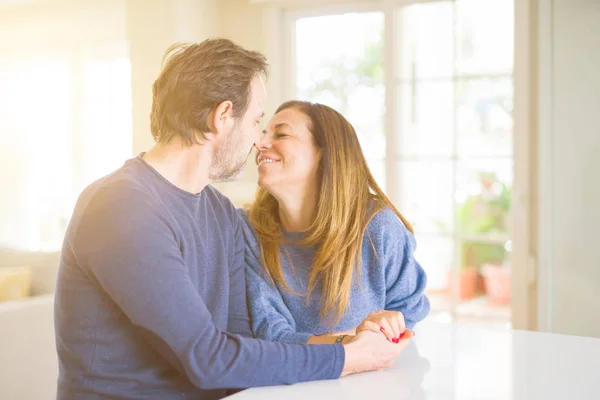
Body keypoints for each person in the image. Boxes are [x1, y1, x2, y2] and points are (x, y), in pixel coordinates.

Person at [53, 39, 409, 400]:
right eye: (256, 121)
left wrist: (351, 341)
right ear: (222, 116)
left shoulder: (220, 212)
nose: (258, 140)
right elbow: (208, 358)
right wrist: (345, 357)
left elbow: (245, 342)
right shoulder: (122, 207)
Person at [241, 101, 430, 346]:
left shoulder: (377, 225)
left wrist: (390, 324)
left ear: (322, 153)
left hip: (371, 379)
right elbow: (271, 335)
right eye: (265, 132)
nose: (260, 142)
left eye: (281, 134)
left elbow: (409, 308)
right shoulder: (248, 231)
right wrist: (350, 343)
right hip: (285, 381)